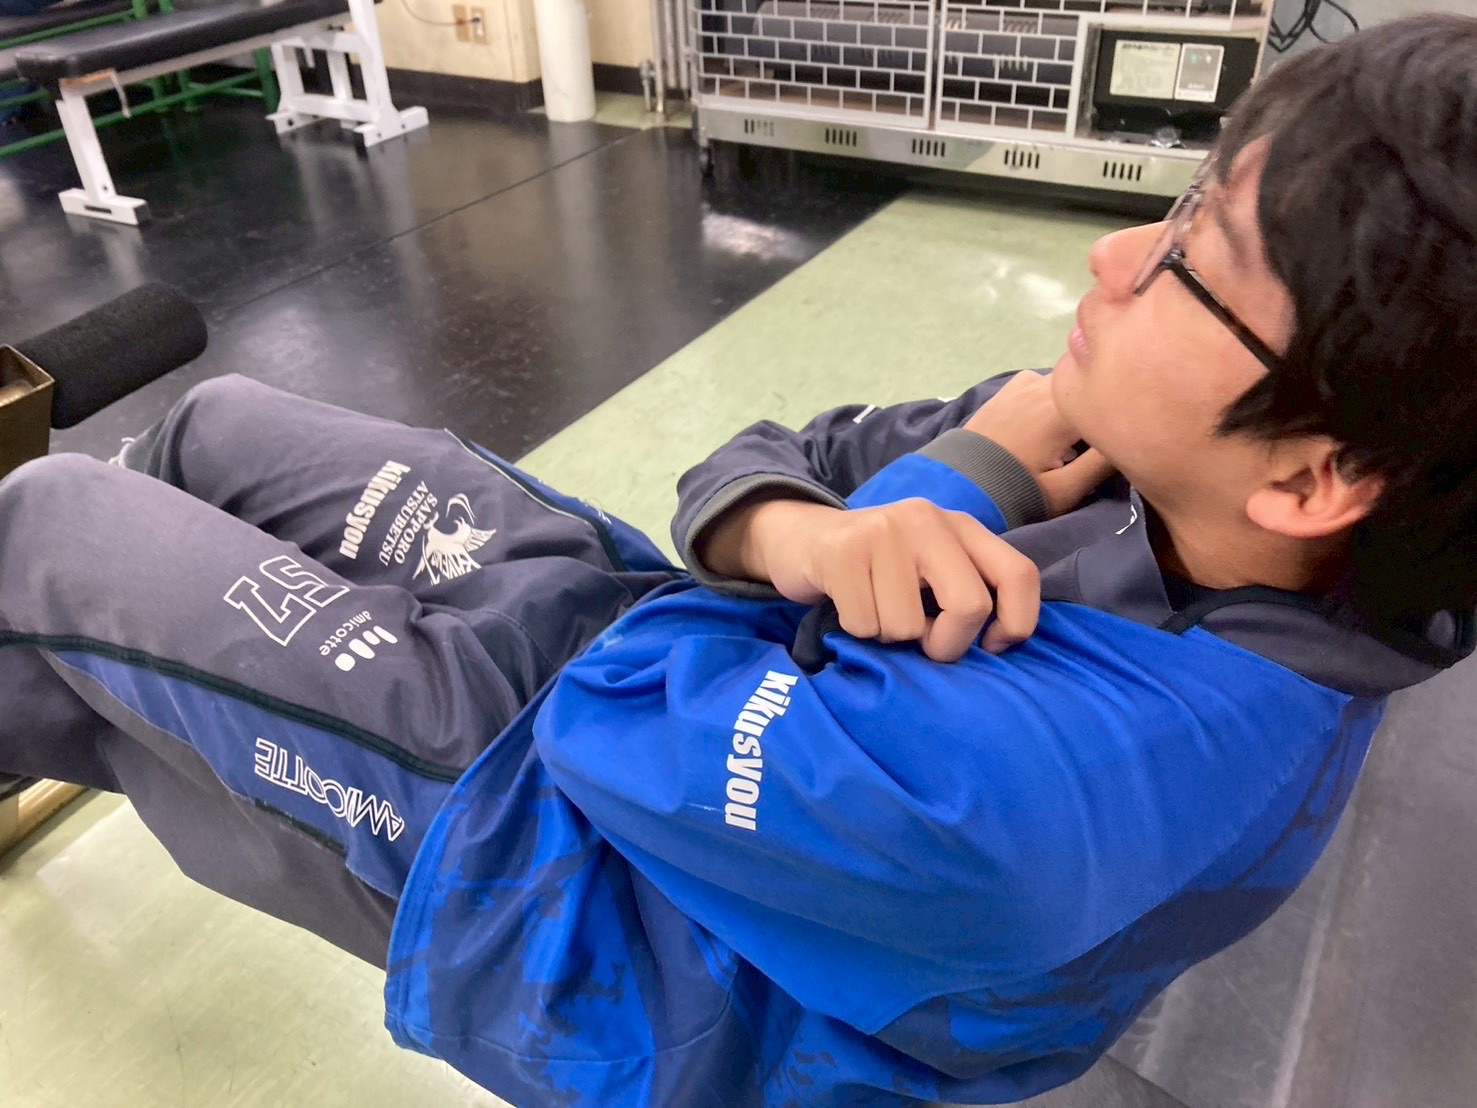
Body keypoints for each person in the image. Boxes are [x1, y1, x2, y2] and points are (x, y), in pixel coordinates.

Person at [2, 13, 1475, 1106]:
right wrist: (807, 532)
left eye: (1187, 264)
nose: (1112, 259)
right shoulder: (1133, 454)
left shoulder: (1069, 788)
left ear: (1312, 476)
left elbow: (617, 723)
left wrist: (942, 485)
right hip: (663, 696)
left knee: (52, 526)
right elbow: (774, 454)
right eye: (1178, 205)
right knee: (216, 429)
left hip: (592, 903)